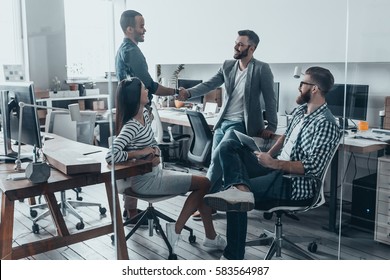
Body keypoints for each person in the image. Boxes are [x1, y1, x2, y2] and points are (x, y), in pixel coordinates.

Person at [204, 66, 342, 259]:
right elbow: (285, 137)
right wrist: (267, 156)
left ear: (314, 89)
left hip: (292, 183)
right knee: (228, 145)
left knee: (234, 199)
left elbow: (312, 167)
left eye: (302, 83)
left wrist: (272, 164)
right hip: (274, 168)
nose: (298, 87)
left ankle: (232, 258)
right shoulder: (302, 111)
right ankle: (241, 187)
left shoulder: (326, 123)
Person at [105, 78, 226, 253]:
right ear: (134, 96)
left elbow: (153, 143)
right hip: (146, 182)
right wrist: (140, 153)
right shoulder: (131, 126)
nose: (147, 90)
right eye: (143, 88)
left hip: (157, 173)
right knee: (204, 183)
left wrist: (154, 151)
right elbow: (111, 155)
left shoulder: (146, 115)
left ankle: (210, 237)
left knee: (203, 183)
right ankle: (177, 231)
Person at [177, 30, 278, 219]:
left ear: (252, 48)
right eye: (236, 43)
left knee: (216, 161)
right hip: (223, 121)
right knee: (216, 162)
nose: (236, 47)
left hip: (241, 124)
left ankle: (201, 199)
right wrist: (188, 93)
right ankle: (210, 203)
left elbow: (270, 98)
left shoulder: (262, 69)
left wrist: (271, 126)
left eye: (240, 44)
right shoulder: (228, 65)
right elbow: (209, 84)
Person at [115, 10, 180, 223]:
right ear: (130, 29)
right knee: (142, 158)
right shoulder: (132, 51)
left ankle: (130, 211)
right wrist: (176, 92)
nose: (145, 30)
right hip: (137, 112)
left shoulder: (121, 50)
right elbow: (149, 86)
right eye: (142, 26)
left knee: (132, 160)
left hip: (127, 110)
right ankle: (134, 211)